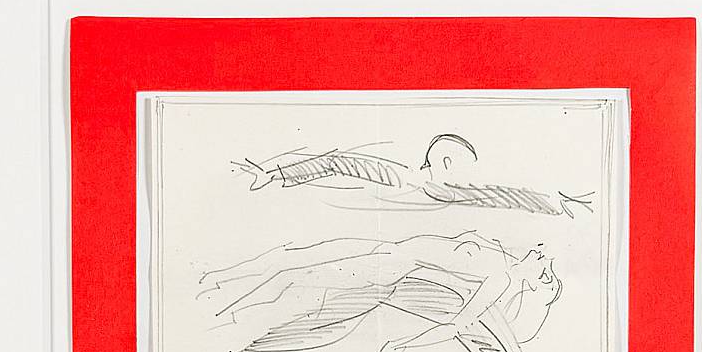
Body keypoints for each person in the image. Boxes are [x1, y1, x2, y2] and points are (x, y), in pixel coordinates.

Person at [194, 231, 562, 352]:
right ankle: (220, 298)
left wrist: (406, 343)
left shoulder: (498, 279)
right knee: (299, 276)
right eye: (545, 260)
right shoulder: (499, 257)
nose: (542, 256)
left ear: (536, 283)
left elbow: (459, 324)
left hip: (387, 270)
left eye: (545, 271)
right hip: (386, 255)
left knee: (315, 311)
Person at [232, 133, 593, 218]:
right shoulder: (404, 178)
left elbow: (502, 193)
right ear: (446, 162)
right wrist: (275, 174)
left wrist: (555, 203)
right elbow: (339, 162)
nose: (474, 175)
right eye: (468, 165)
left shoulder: (459, 189)